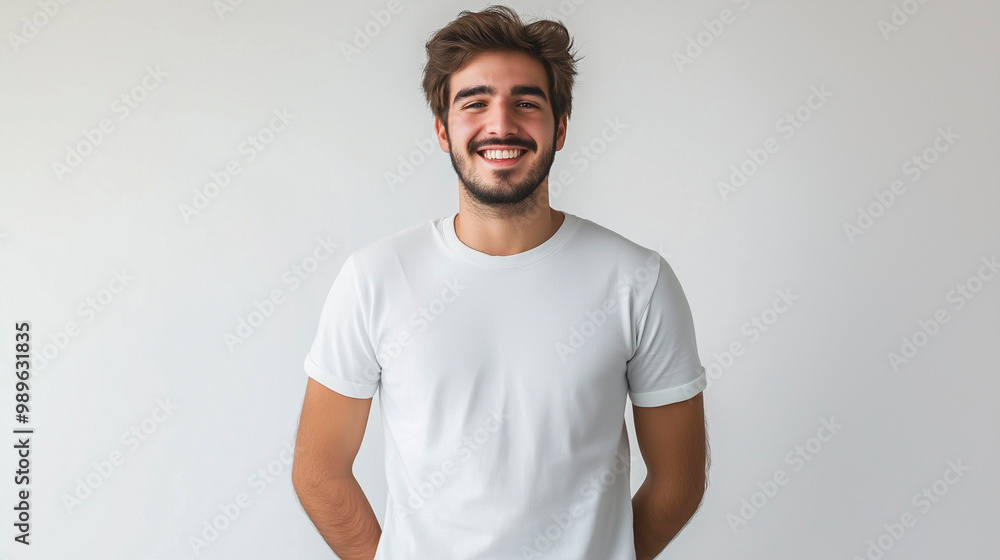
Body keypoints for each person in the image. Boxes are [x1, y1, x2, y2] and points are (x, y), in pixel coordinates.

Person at [291, 5, 708, 559]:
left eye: (526, 103)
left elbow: (679, 481)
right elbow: (319, 472)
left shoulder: (638, 281)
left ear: (561, 127)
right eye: (475, 102)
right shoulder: (375, 278)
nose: (501, 124)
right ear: (443, 130)